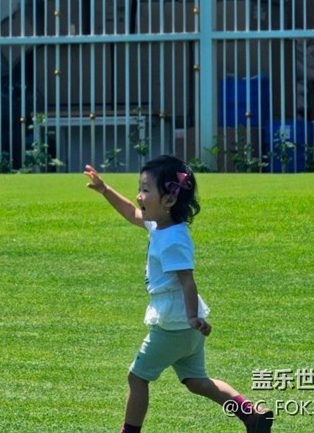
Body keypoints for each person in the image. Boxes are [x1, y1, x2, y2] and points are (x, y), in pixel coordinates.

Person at [84, 156, 273, 433]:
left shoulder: (173, 240)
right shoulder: (161, 226)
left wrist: (192, 317)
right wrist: (105, 190)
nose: (139, 195)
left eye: (146, 189)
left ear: (169, 200)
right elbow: (130, 213)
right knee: (198, 382)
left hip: (175, 323)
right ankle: (250, 414)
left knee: (137, 378)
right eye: (140, 187)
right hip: (187, 326)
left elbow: (187, 281)